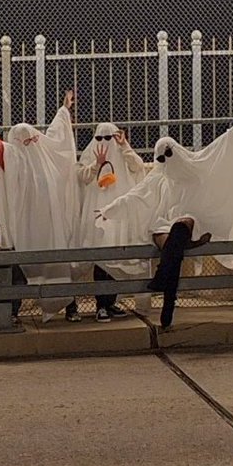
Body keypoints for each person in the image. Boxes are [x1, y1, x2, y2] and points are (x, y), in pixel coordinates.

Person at [96, 117, 233, 329]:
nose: (166, 161)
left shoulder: (194, 169)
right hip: (164, 225)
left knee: (180, 227)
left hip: (191, 221)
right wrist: (108, 210)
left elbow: (220, 148)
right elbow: (136, 196)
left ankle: (163, 287)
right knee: (171, 246)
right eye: (161, 158)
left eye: (168, 155)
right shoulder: (158, 178)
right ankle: (167, 294)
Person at [0, 91, 81, 322]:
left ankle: (68, 307)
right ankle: (14, 312)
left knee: (54, 265)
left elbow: (56, 134)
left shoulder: (35, 155)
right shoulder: (20, 156)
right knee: (31, 267)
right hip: (35, 226)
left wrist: (64, 110)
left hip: (41, 225)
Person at [77, 122, 146, 321]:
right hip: (97, 212)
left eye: (109, 138)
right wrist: (97, 164)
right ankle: (101, 305)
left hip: (119, 212)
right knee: (101, 259)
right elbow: (82, 176)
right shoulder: (91, 153)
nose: (103, 143)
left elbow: (138, 166)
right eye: (99, 138)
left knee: (116, 256)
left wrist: (124, 146)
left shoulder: (123, 153)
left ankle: (111, 301)